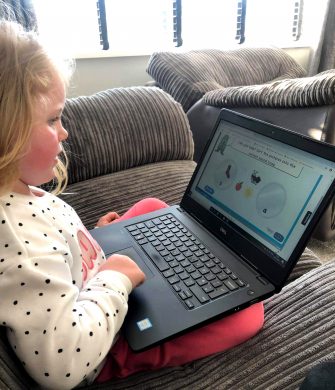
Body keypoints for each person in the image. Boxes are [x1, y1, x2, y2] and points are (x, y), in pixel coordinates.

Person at [0, 20, 264, 389]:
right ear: (6, 132)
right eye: (53, 119)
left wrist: (92, 239)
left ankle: (149, 253)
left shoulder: (18, 192)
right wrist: (116, 277)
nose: (65, 131)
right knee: (247, 317)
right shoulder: (18, 240)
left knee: (155, 206)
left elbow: (52, 253)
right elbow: (61, 366)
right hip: (106, 343)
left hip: (88, 277)